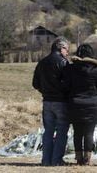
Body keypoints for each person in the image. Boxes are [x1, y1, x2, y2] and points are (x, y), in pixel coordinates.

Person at [32, 37, 70, 166]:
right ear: (61, 48)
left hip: (47, 101)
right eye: (66, 49)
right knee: (61, 131)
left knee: (48, 131)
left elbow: (35, 83)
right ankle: (57, 160)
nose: (68, 52)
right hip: (61, 102)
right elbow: (68, 83)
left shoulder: (42, 62)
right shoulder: (63, 63)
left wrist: (45, 91)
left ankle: (46, 160)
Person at [67, 44, 97, 166]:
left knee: (77, 132)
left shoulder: (71, 68)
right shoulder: (96, 69)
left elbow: (67, 85)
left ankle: (78, 158)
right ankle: (87, 159)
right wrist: (96, 95)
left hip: (75, 103)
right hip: (93, 103)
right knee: (89, 132)